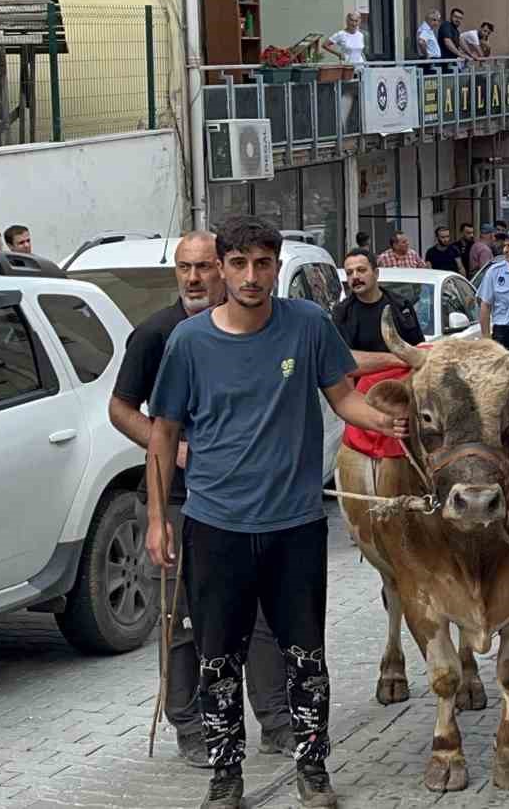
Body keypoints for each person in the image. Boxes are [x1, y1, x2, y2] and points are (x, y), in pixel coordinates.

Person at [144, 217, 406, 809]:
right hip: (216, 527)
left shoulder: (307, 326)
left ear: (276, 267)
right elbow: (163, 435)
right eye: (238, 264)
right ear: (221, 267)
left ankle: (313, 769)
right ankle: (225, 778)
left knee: (305, 654)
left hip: (295, 526)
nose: (251, 276)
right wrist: (160, 519)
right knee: (217, 659)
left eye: (263, 264)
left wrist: (389, 421)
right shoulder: (188, 344)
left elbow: (343, 397)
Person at [107, 231, 295, 769]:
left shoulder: (258, 326)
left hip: (251, 501)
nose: (194, 278)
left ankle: (276, 721)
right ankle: (190, 726)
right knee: (184, 619)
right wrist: (175, 448)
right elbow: (120, 410)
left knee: (261, 614)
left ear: (224, 270)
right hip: (178, 500)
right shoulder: (158, 333)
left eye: (204, 268)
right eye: (184, 268)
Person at [333, 248, 427, 373]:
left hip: (403, 385)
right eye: (349, 273)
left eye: (361, 270)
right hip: (364, 390)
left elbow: (419, 348)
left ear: (376, 273)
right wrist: (396, 360)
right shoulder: (342, 313)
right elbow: (343, 362)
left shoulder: (402, 306)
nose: (355, 276)